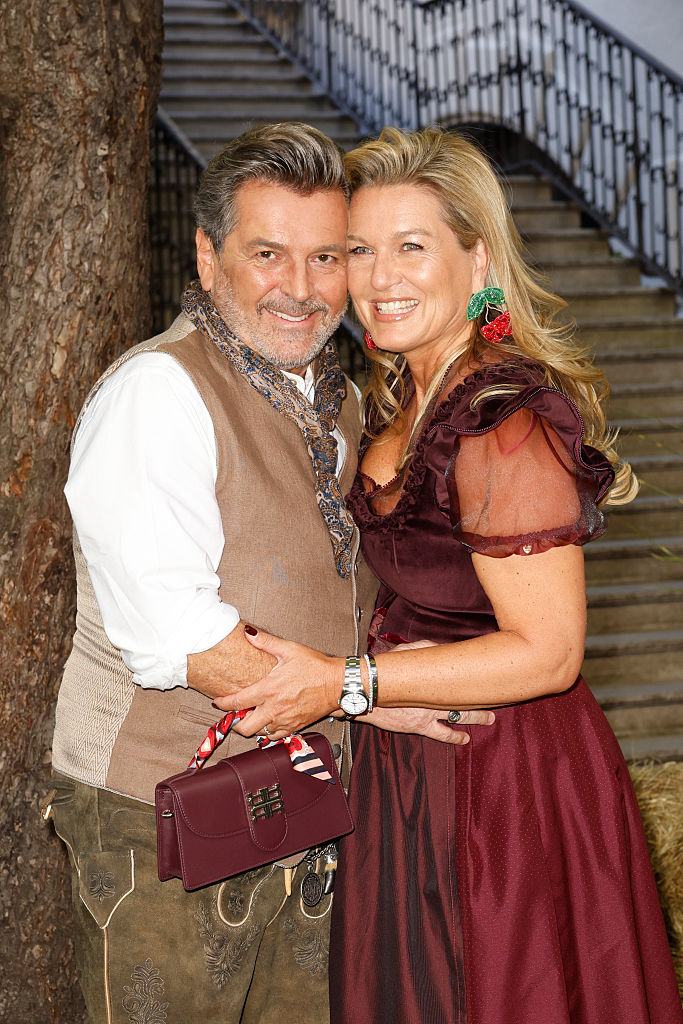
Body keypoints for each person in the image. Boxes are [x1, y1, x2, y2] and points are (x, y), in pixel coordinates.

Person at [222, 127, 683, 1024]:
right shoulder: (398, 400)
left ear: (477, 263)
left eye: (411, 246)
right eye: (359, 249)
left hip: (504, 779)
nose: (379, 277)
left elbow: (548, 651)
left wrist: (346, 683)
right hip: (409, 756)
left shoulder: (501, 419)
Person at [44, 122, 493, 1024]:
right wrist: (368, 696)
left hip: (307, 809)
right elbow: (182, 640)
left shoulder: (342, 400)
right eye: (267, 254)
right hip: (160, 816)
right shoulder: (158, 393)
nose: (299, 287)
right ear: (208, 258)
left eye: (326, 257)